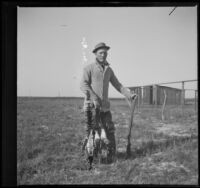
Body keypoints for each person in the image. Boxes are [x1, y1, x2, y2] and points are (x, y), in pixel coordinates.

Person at [80, 42, 136, 163]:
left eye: (105, 52)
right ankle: (91, 158)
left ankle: (111, 156)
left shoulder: (109, 70)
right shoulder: (89, 68)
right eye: (101, 52)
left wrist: (129, 95)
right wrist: (94, 98)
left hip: (105, 108)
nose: (103, 55)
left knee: (110, 130)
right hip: (92, 107)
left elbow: (118, 85)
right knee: (93, 133)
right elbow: (83, 85)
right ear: (95, 54)